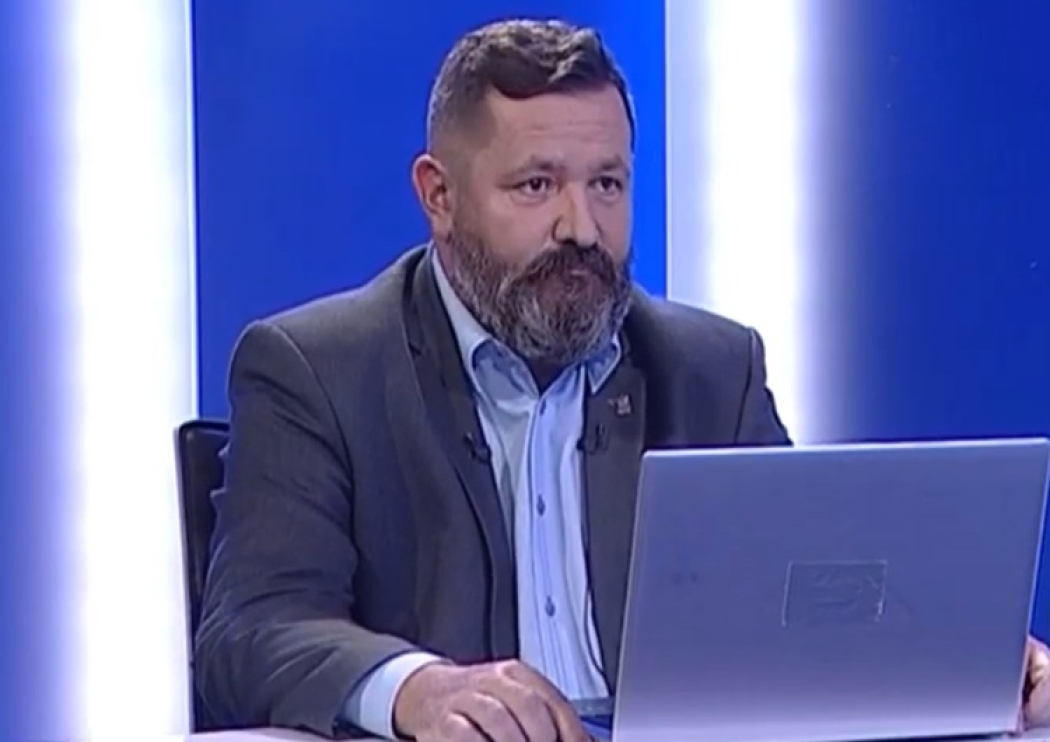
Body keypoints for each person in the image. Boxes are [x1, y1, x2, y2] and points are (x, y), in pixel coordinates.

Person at [195, 17, 1050, 742]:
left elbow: (804, 601)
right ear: (439, 196)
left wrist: (956, 657)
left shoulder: (711, 369)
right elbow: (251, 629)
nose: (582, 227)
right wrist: (418, 689)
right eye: (537, 185)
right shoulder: (317, 367)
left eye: (607, 183)